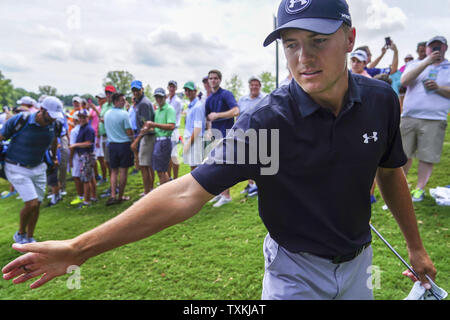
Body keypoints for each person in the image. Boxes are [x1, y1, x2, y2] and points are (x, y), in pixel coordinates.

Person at [1, 0, 437, 301]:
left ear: (349, 37)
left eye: (318, 40)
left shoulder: (379, 99)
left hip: (361, 260)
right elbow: (187, 192)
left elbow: (388, 169)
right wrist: (79, 249)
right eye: (291, 44)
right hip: (296, 271)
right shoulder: (270, 121)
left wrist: (416, 248)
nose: (303, 57)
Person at [0, 96, 64, 244]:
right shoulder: (20, 120)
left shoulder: (55, 124)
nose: (54, 119)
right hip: (16, 166)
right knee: (32, 203)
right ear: (42, 110)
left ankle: (29, 237)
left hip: (39, 167)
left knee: (37, 205)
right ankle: (20, 234)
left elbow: (54, 140)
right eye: (51, 115)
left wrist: (54, 157)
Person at [400, 36, 450, 202]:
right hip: (409, 117)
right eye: (432, 46)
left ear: (446, 48)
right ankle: (401, 187)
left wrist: (438, 88)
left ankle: (419, 190)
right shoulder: (414, 64)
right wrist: (426, 62)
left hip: (434, 119)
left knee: (427, 156)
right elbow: (404, 81)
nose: (436, 49)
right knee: (402, 154)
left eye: (440, 47)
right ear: (427, 49)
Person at [205, 69, 240, 208]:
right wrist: (208, 130)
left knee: (224, 165)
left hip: (226, 134)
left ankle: (226, 196)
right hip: (214, 135)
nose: (213, 80)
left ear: (219, 80)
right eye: (210, 78)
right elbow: (208, 118)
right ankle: (219, 193)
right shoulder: (209, 99)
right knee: (215, 165)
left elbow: (236, 111)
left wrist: (218, 115)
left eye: (215, 78)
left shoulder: (226, 94)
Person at [104, 93, 134, 206]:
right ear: (116, 101)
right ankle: (120, 196)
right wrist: (133, 141)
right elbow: (129, 131)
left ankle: (112, 195)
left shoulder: (107, 114)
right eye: (122, 100)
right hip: (124, 144)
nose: (124, 102)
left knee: (114, 171)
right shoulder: (124, 114)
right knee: (123, 171)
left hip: (112, 144)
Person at [237, 76, 266, 197]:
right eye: (252, 84)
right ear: (249, 86)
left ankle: (259, 186)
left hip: (260, 132)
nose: (254, 87)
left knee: (259, 160)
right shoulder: (242, 100)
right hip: (244, 133)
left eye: (257, 85)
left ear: (260, 86)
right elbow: (238, 117)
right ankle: (250, 184)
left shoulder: (265, 98)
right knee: (247, 160)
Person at [142, 88, 176, 186]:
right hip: (158, 141)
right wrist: (148, 129)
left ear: (165, 97)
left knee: (161, 171)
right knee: (160, 171)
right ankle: (165, 193)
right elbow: (157, 128)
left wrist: (154, 124)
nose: (158, 99)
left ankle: (164, 195)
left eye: (160, 97)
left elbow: (171, 126)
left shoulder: (169, 109)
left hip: (164, 142)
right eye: (157, 97)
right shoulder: (157, 111)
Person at [129, 80, 156, 196]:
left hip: (147, 137)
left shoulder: (144, 103)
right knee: (146, 165)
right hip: (145, 137)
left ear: (142, 89)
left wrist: (136, 141)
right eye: (133, 90)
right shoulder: (139, 103)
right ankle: (149, 191)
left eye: (137, 90)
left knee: (145, 166)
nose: (135, 92)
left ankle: (147, 192)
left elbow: (146, 126)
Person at [70, 109, 97, 209]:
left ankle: (86, 201)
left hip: (87, 155)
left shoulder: (88, 129)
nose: (81, 119)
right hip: (84, 155)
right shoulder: (82, 128)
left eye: (83, 117)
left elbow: (88, 143)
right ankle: (93, 197)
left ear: (87, 118)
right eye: (79, 117)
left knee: (86, 179)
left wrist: (75, 145)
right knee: (90, 177)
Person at [182, 82, 205, 171]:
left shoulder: (197, 106)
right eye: (186, 90)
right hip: (192, 139)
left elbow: (198, 128)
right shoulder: (191, 106)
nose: (187, 92)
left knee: (196, 169)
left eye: (190, 90)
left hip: (195, 140)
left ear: (195, 91)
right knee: (193, 168)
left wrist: (188, 144)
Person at [167, 81, 183, 181]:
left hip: (174, 129)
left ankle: (176, 178)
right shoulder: (167, 99)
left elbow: (171, 115)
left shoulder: (177, 101)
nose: (172, 89)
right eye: (170, 87)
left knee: (174, 155)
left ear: (176, 88)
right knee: (168, 155)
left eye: (173, 87)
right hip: (167, 129)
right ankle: (169, 178)